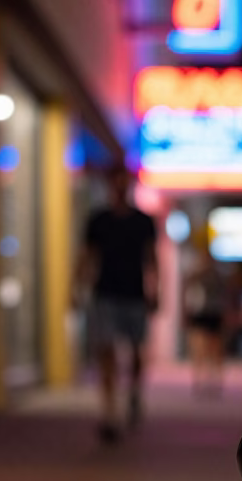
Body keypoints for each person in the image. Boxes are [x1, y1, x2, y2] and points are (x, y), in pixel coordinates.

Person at [75, 164, 158, 442]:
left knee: (136, 353)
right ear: (111, 185)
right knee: (106, 351)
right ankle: (109, 412)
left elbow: (151, 258)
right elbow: (87, 255)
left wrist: (155, 290)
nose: (121, 186)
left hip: (134, 294)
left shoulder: (143, 221)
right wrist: (76, 287)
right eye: (116, 181)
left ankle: (134, 391)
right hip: (106, 294)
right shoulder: (98, 221)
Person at [183, 248, 228, 394]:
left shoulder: (218, 275)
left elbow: (226, 294)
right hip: (200, 313)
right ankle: (199, 379)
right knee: (199, 347)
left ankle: (215, 379)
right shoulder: (197, 274)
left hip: (214, 313)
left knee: (215, 348)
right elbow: (187, 286)